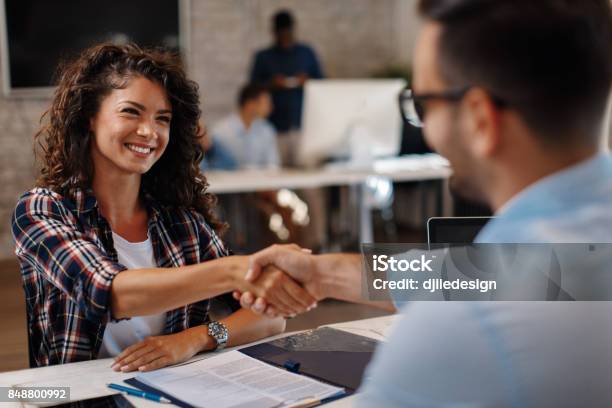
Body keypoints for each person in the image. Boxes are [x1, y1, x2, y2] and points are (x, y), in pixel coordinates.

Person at [236, 0, 612, 405]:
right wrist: (321, 274)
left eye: (424, 105)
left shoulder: (463, 327)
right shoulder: (574, 247)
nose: (425, 127)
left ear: (480, 119)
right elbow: (467, 275)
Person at [11, 43, 316, 370]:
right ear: (89, 117)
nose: (149, 131)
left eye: (162, 119)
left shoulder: (183, 223)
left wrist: (197, 338)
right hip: (67, 399)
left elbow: (270, 318)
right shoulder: (41, 209)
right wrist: (236, 271)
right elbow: (110, 293)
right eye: (131, 111)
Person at [250, 9, 324, 165]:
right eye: (281, 32)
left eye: (287, 32)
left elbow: (322, 83)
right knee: (276, 176)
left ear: (293, 29)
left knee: (308, 181)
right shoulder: (264, 57)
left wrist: (308, 81)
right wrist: (272, 83)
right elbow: (252, 88)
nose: (284, 36)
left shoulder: (306, 53)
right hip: (274, 127)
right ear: (274, 32)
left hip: (303, 125)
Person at [206, 83, 280, 170]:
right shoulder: (220, 131)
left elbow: (273, 165)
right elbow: (212, 166)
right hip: (229, 181)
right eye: (266, 103)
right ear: (250, 104)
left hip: (261, 182)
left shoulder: (267, 130)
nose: (271, 108)